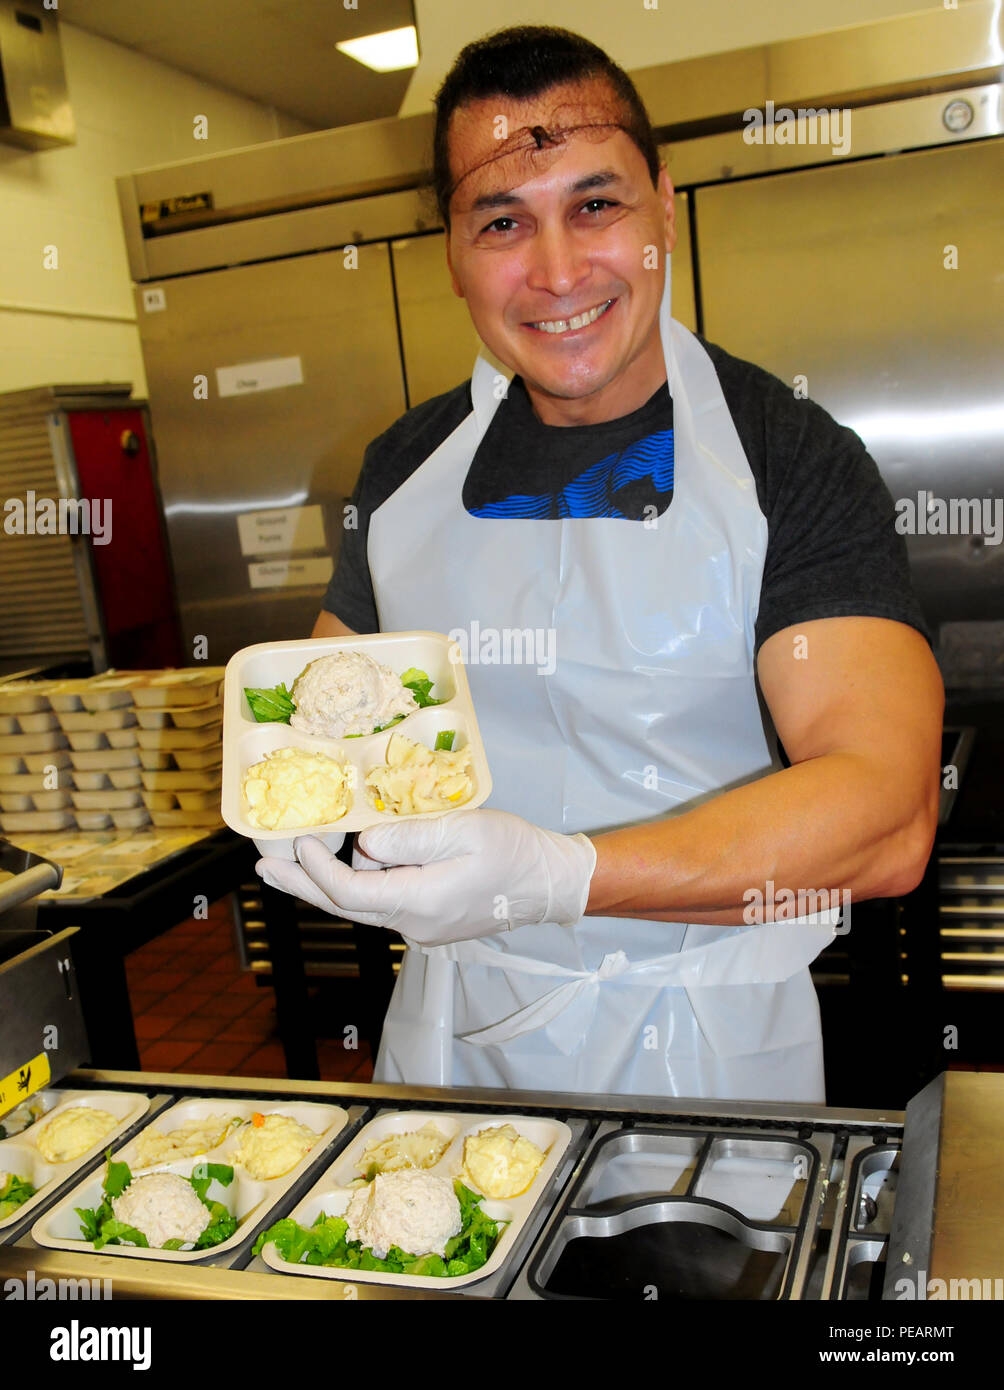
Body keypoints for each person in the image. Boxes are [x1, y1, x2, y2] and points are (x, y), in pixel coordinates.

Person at [257, 25, 943, 1101]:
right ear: (450, 249)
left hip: (707, 1046)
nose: (557, 271)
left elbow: (885, 815)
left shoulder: (787, 456)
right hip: (455, 1033)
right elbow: (333, 723)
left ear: (663, 201)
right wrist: (303, 808)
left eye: (594, 204)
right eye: (500, 221)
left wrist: (552, 876)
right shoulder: (406, 466)